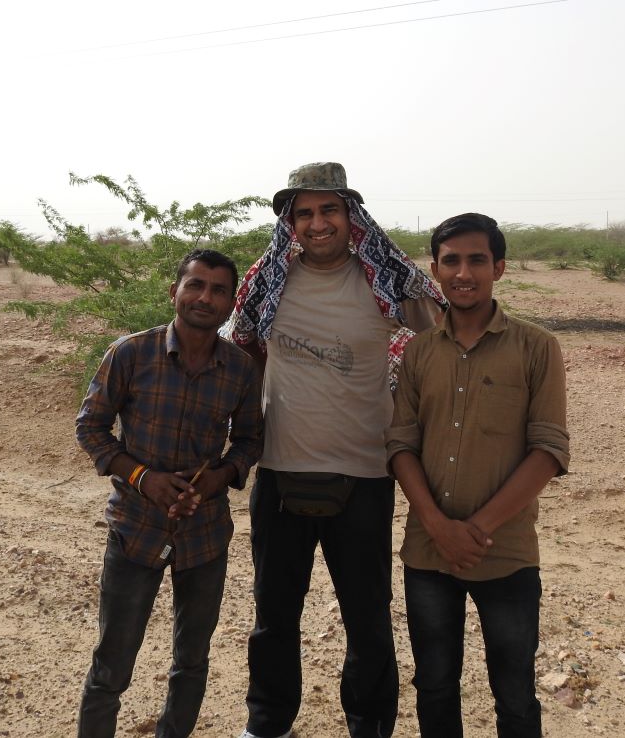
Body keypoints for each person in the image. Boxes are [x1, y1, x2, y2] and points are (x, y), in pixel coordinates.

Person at [228, 162, 446, 738]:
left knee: (368, 618)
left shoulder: (386, 281)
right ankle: (267, 723)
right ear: (290, 222)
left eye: (329, 210)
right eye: (304, 212)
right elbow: (241, 347)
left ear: (352, 216)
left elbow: (445, 344)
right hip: (280, 471)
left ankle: (370, 726)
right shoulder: (269, 278)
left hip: (365, 474)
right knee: (274, 617)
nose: (317, 223)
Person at [386, 213, 570, 738]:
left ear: (500, 268)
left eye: (476, 260)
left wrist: (477, 528)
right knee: (436, 685)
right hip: (428, 552)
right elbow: (401, 443)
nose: (463, 273)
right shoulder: (418, 351)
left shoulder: (537, 347)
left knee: (514, 691)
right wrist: (438, 526)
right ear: (435, 270)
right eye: (451, 261)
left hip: (506, 553)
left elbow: (549, 449)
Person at [75, 249, 264, 738]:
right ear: (174, 292)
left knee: (191, 661)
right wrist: (144, 478)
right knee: (112, 664)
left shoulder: (241, 369)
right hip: (135, 530)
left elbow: (249, 440)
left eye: (219, 290)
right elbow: (91, 428)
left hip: (204, 536)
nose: (205, 297)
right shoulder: (131, 353)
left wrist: (218, 478)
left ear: (230, 303)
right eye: (195, 285)